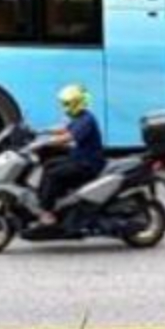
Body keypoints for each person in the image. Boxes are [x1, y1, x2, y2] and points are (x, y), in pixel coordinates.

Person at [37, 83, 105, 225]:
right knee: (48, 164)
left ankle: (47, 212)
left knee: (52, 175)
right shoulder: (80, 117)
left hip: (88, 165)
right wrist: (42, 131)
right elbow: (63, 129)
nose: (64, 107)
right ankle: (46, 199)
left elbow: (69, 137)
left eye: (66, 104)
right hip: (79, 158)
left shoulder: (87, 120)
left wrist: (46, 142)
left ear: (76, 103)